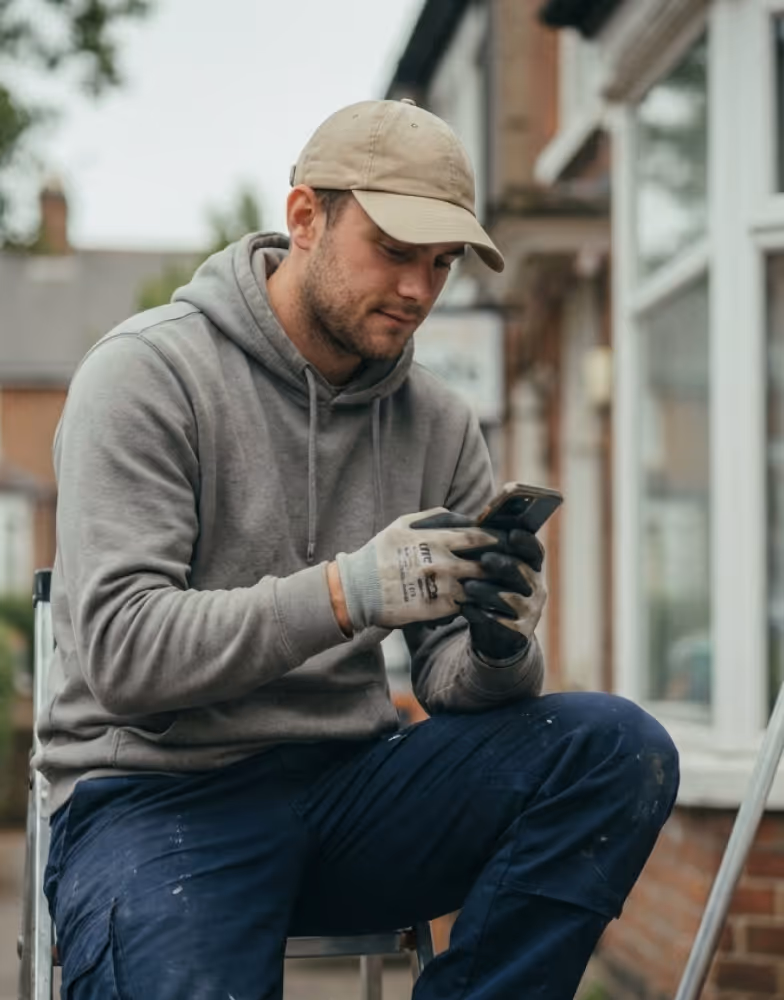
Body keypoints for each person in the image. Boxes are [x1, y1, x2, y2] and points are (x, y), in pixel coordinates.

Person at [36, 98, 678, 1000]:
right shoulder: (147, 375)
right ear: (305, 217)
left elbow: (449, 685)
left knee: (616, 747)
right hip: (157, 798)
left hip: (353, 792)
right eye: (394, 250)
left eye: (442, 262)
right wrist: (347, 593)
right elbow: (125, 658)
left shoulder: (441, 424)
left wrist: (498, 644)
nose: (420, 288)